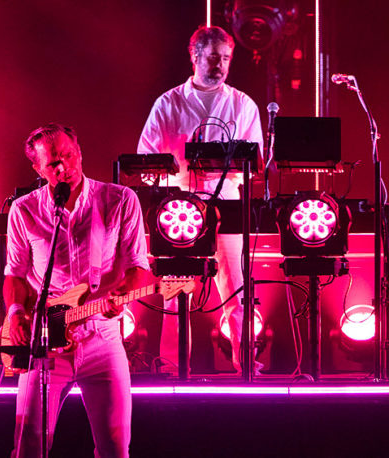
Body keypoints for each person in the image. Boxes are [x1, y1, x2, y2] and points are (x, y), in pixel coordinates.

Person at [5, 123, 149, 458]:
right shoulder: (24, 210)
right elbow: (14, 274)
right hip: (45, 340)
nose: (64, 167)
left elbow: (140, 268)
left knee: (115, 446)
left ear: (79, 152)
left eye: (69, 156)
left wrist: (121, 294)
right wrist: (15, 313)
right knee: (29, 443)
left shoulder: (119, 200)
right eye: (53, 163)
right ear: (38, 169)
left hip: (103, 337)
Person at [137, 26, 263, 373]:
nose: (220, 65)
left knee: (237, 288)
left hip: (227, 203)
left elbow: (255, 163)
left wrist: (225, 168)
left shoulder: (243, 105)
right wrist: (176, 170)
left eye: (226, 59)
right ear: (194, 56)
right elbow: (146, 158)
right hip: (180, 208)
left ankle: (245, 363)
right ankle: (171, 366)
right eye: (213, 57)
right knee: (177, 291)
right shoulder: (168, 103)